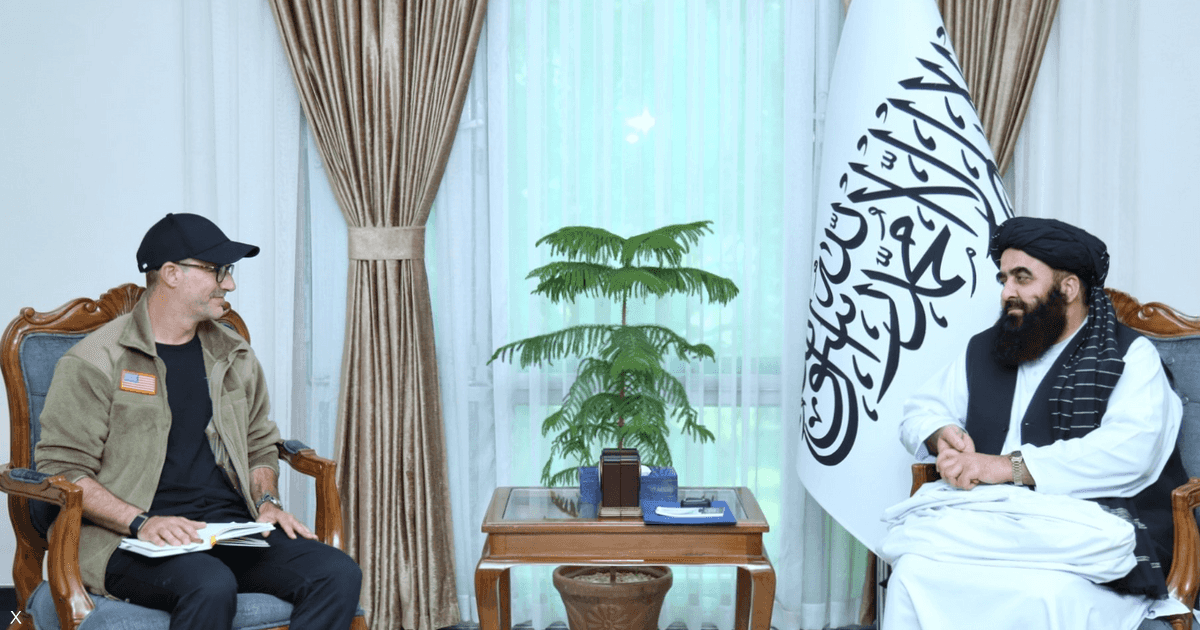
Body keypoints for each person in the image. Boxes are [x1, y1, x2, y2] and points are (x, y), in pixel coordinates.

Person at [35, 213, 362, 630]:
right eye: (217, 270)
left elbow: (259, 442)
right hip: (131, 538)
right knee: (209, 584)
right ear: (172, 274)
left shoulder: (233, 353)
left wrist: (267, 502)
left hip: (227, 531)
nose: (230, 284)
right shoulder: (96, 360)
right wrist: (142, 521)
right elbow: (63, 470)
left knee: (337, 573)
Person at [880, 216, 1190, 629]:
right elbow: (921, 409)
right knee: (913, 572)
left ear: (1069, 287)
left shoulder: (1130, 356)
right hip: (994, 519)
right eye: (1004, 278)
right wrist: (942, 434)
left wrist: (1006, 467)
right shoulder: (987, 348)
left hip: (1087, 525)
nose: (1007, 291)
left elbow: (1129, 452)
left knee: (1044, 591)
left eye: (1022, 278)